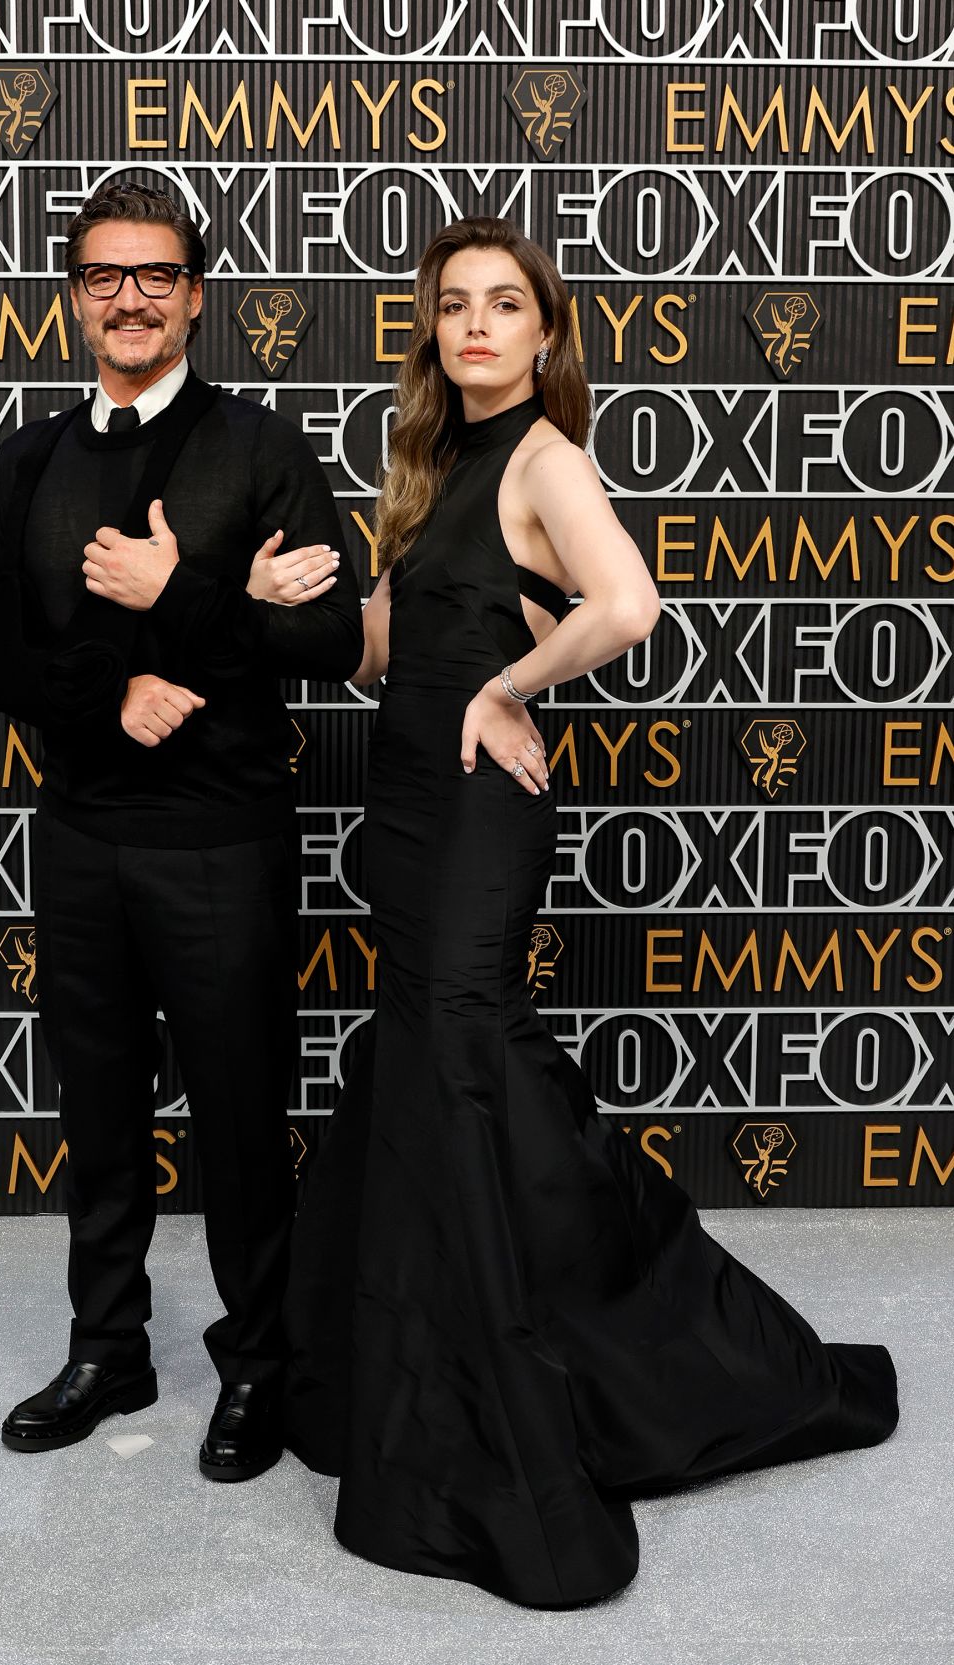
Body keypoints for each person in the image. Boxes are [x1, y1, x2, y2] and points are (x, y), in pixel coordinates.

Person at [281, 218, 898, 1607]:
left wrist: (513, 687)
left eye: (506, 304)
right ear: (432, 333)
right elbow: (386, 641)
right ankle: (429, 1365)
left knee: (460, 1066)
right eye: (455, 306)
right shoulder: (434, 467)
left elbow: (625, 605)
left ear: (545, 331)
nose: (479, 326)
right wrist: (292, 596)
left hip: (479, 816)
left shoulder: (547, 456)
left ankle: (580, 1370)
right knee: (443, 1083)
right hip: (406, 811)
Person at [0, 181, 362, 1478]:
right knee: (98, 1105)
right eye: (101, 275)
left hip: (220, 838)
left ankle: (259, 1364)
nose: (127, 295)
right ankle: (108, 1342)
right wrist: (120, 680)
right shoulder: (27, 458)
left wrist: (183, 589)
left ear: (196, 292)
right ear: (75, 296)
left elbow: (330, 636)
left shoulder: (258, 447)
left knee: (241, 1112)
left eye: (155, 273)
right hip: (79, 834)